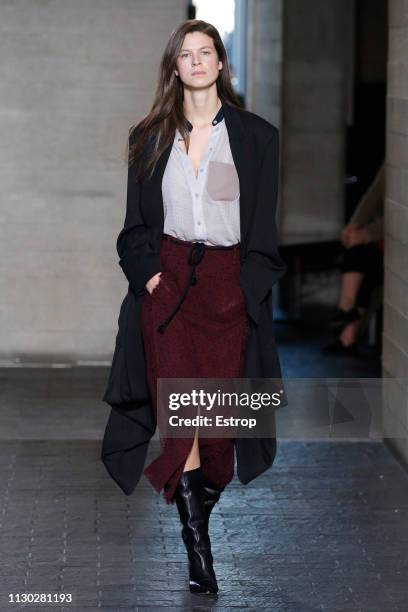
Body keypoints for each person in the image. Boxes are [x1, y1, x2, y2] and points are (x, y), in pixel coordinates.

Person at [101, 19, 287, 596]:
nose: (197, 62)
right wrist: (149, 275)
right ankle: (197, 548)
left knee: (220, 426)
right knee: (181, 416)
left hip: (229, 288)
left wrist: (246, 290)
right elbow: (134, 229)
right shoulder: (148, 137)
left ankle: (197, 506)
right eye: (187, 54)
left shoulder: (257, 138)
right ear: (174, 68)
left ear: (222, 63)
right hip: (170, 287)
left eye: (206, 52)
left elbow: (263, 229)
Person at [322, 163, 385, 355]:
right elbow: (372, 197)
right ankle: (348, 319)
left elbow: (401, 215)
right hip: (381, 240)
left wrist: (365, 234)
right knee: (358, 255)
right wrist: (353, 227)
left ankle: (348, 322)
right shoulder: (392, 160)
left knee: (366, 265)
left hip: (393, 242)